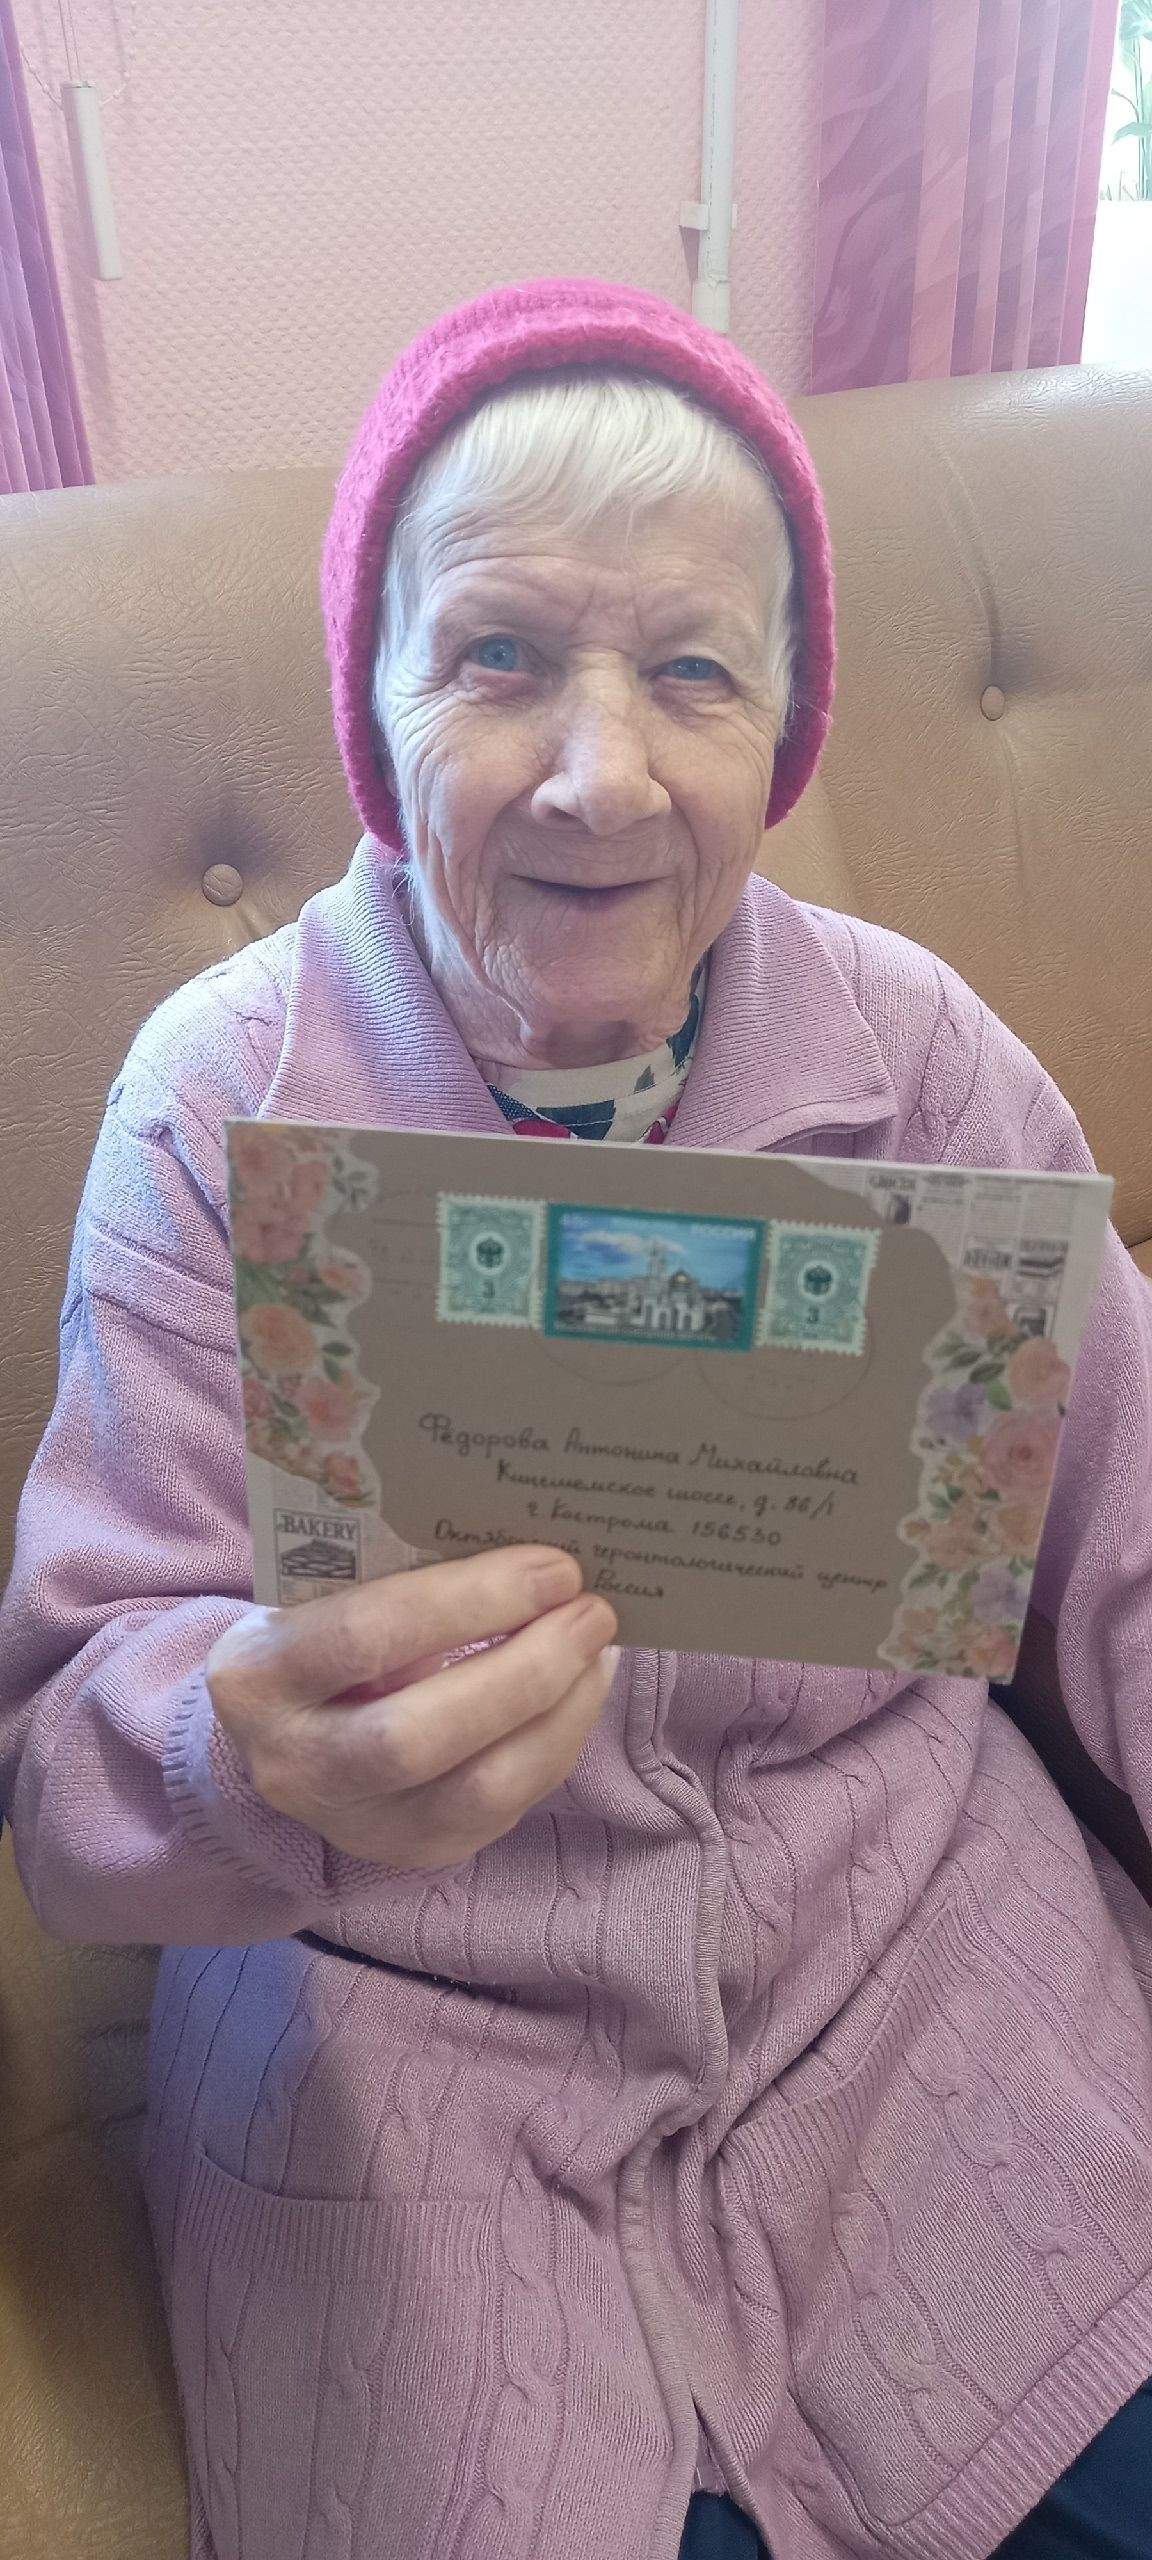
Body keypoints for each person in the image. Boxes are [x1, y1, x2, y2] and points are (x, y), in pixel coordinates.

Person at [2, 278, 1152, 2560]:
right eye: (501, 656)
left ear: (786, 731)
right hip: (407, 2078)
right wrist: (240, 1746)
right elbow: (67, 1757)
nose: (601, 775)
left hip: (916, 1994)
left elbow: (1128, 1535)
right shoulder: (220, 1107)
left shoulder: (918, 1057)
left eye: (693, 672)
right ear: (376, 705)